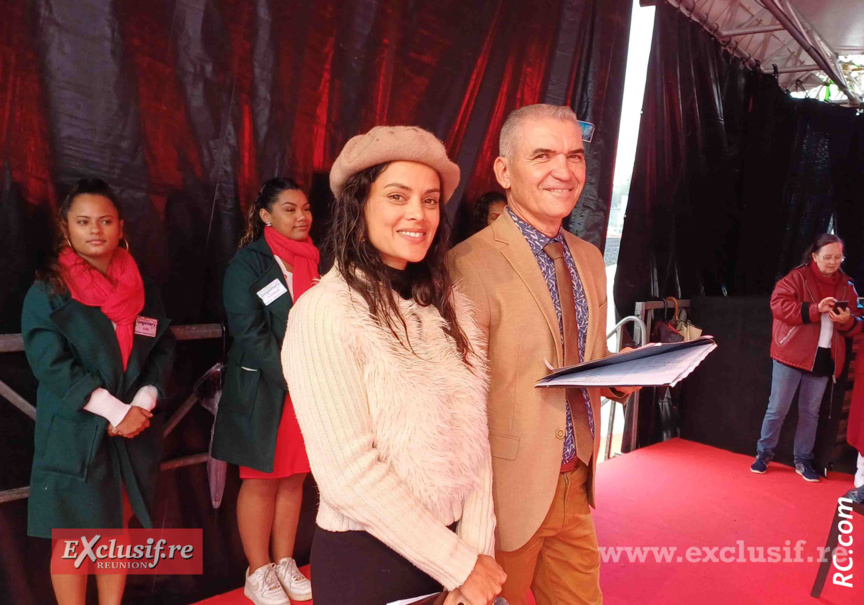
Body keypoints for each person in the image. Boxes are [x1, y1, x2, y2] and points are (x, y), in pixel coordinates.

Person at [283, 126, 505, 605]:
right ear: (358, 206)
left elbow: (475, 441)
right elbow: (348, 475)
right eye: (397, 196)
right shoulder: (324, 312)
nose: (417, 214)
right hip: (370, 565)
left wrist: (475, 555)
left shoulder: (449, 307)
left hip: (455, 561)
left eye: (429, 200)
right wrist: (461, 565)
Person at [449, 104, 637, 605]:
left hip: (577, 484)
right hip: (504, 496)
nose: (564, 170)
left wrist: (624, 372)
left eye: (575, 156)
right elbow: (454, 402)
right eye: (543, 155)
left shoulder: (591, 259)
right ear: (505, 171)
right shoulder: (468, 265)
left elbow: (588, 357)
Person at [21, 178, 175, 605]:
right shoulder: (49, 292)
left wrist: (143, 402)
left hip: (131, 434)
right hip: (77, 433)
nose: (95, 230)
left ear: (120, 225)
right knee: (73, 538)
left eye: (105, 220)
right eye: (83, 221)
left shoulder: (142, 287)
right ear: (65, 227)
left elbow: (162, 345)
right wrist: (113, 411)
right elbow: (51, 364)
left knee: (115, 528)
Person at [211, 177, 316, 604]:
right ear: (265, 215)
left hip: (308, 388)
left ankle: (284, 562)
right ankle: (258, 571)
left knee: (294, 477)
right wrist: (294, 375)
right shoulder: (248, 264)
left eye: (306, 208)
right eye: (289, 209)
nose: (302, 216)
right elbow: (249, 332)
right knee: (260, 479)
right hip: (265, 387)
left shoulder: (316, 260)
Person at [751, 234, 862, 482]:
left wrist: (848, 321)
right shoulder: (797, 277)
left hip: (826, 358)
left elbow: (859, 321)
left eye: (838, 257)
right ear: (814, 256)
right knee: (777, 408)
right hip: (791, 354)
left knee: (810, 413)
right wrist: (814, 309)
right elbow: (778, 305)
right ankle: (763, 454)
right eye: (828, 257)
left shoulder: (847, 285)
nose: (833, 262)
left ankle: (803, 460)